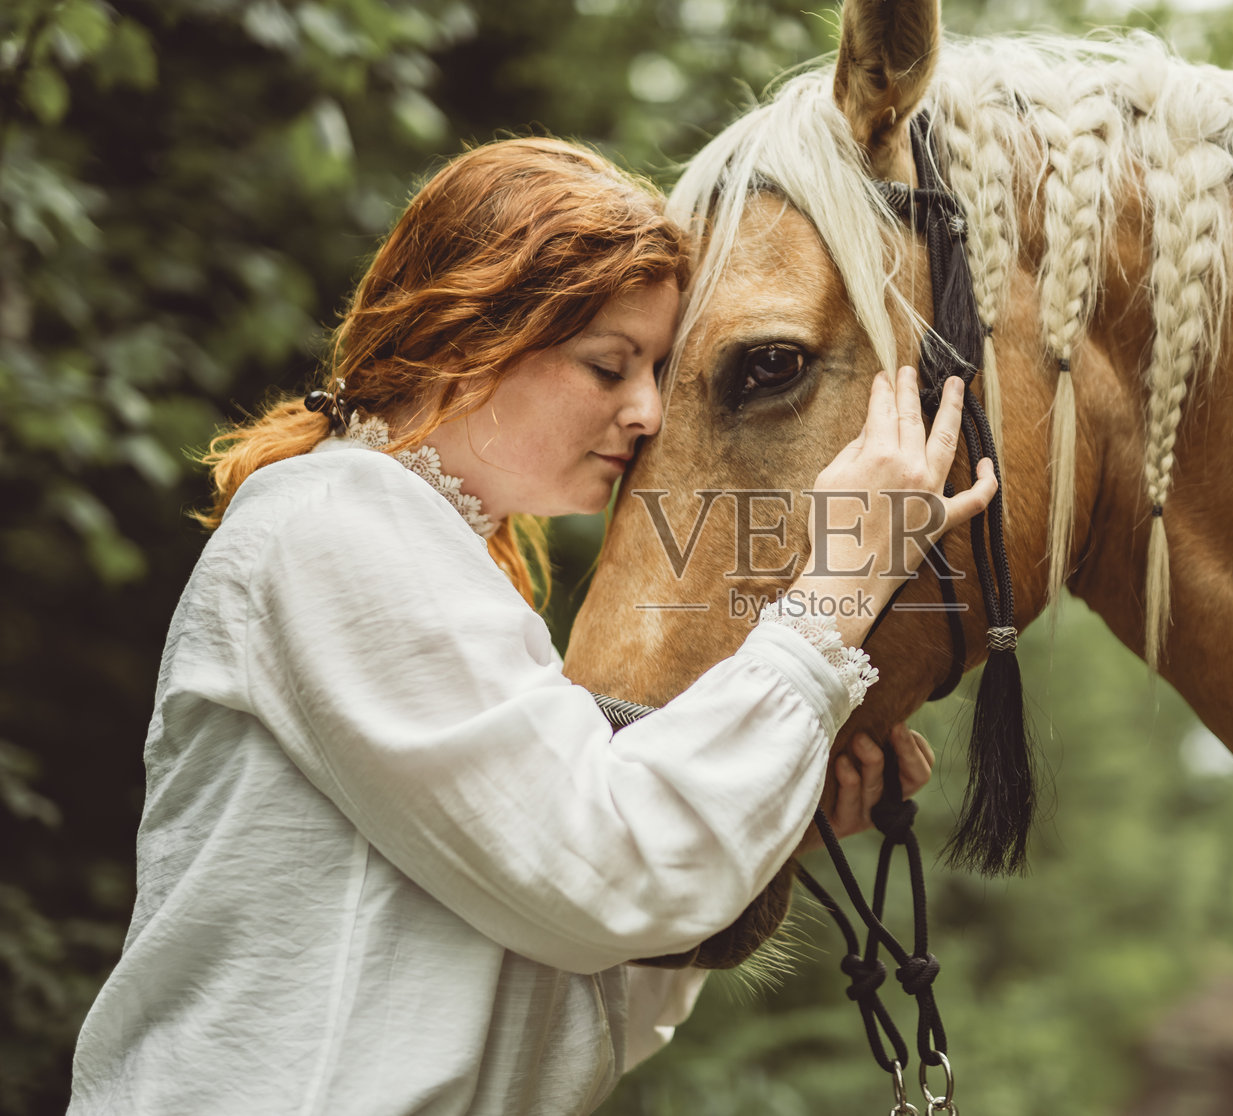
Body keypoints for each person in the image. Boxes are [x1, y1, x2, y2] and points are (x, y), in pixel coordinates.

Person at [66, 137, 996, 1116]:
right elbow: (604, 886)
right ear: (467, 335)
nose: (647, 412)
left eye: (655, 369)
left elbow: (543, 994)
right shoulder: (332, 525)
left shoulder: (424, 556)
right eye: (609, 365)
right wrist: (840, 584)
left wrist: (768, 816)